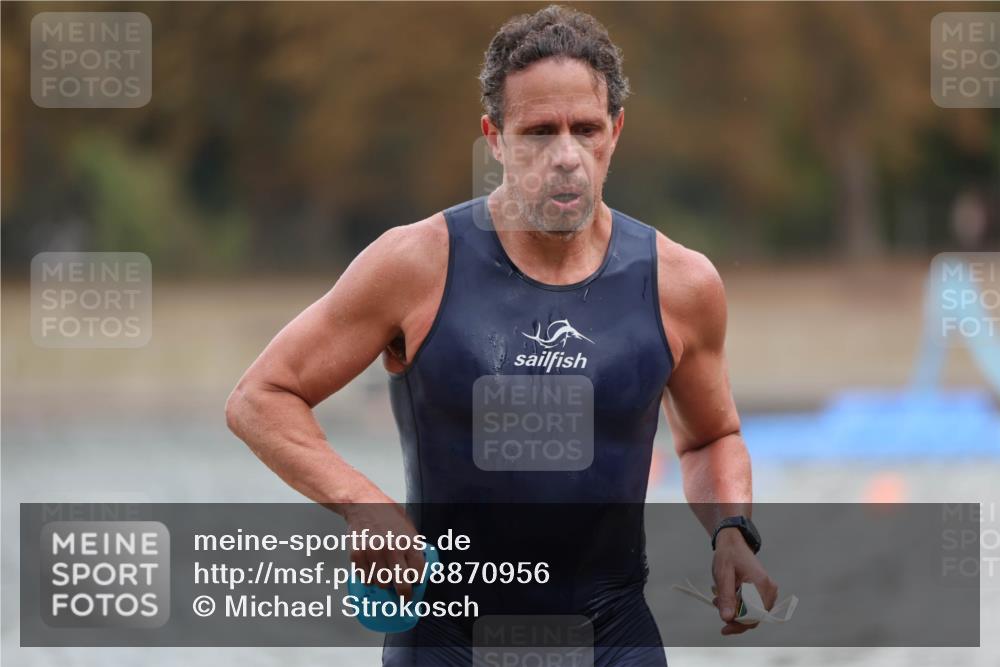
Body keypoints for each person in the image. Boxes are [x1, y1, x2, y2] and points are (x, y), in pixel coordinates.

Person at [226, 5, 777, 664]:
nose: (567, 156)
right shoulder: (415, 265)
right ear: (495, 137)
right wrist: (362, 504)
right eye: (540, 131)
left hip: (613, 638)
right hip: (447, 640)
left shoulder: (680, 284)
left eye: (586, 129)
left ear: (616, 131)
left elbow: (712, 435)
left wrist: (731, 529)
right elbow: (261, 396)